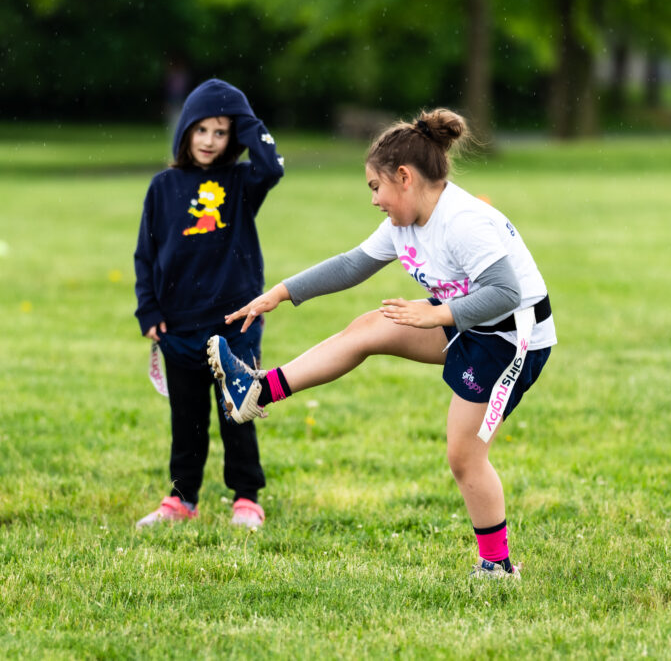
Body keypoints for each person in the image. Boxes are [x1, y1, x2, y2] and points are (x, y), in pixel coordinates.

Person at [207, 109, 555, 577]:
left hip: (514, 339)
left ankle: (497, 567)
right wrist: (281, 293)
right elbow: (352, 265)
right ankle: (258, 390)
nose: (374, 200)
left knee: (463, 455)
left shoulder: (464, 221)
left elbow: (506, 293)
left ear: (405, 177)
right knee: (368, 328)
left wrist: (437, 314)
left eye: (376, 187)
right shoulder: (404, 225)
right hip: (465, 321)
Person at [134, 78, 285, 529]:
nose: (210, 140)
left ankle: (246, 497)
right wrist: (149, 310)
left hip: (234, 320)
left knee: (237, 409)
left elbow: (272, 166)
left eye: (222, 131)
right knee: (187, 418)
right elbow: (145, 253)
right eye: (202, 129)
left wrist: (241, 113)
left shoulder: (241, 181)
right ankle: (182, 498)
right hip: (177, 323)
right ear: (185, 131)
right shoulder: (163, 187)